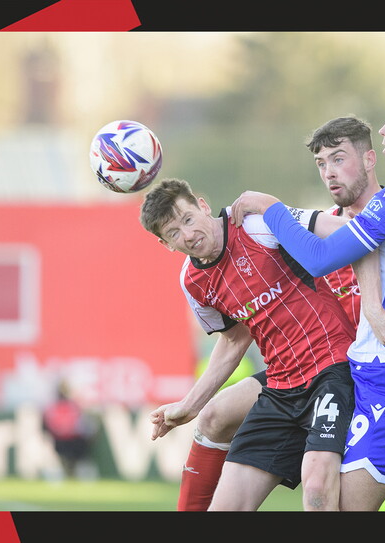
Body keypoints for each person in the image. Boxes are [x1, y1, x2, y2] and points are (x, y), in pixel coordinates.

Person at [230, 80, 385, 510]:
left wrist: (271, 208)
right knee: (321, 496)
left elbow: (321, 257)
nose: (383, 130)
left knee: (343, 510)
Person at [167, 116, 385, 511]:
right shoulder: (324, 222)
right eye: (321, 164)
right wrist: (188, 404)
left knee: (325, 493)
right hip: (293, 374)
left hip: (354, 369)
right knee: (214, 415)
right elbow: (237, 335)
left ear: (370, 159)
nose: (329, 172)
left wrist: (266, 205)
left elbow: (362, 240)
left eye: (337, 160)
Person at [140, 177, 358, 511]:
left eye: (187, 219)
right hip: (282, 385)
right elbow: (235, 337)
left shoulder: (254, 223)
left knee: (316, 490)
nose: (188, 235)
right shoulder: (193, 281)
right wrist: (189, 404)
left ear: (202, 205)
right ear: (165, 244)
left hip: (334, 368)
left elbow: (347, 232)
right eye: (173, 233)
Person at [42, 380, 97, 480]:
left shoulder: (54, 406)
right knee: (80, 459)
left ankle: (59, 476)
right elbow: (85, 426)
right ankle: (84, 477)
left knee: (74, 459)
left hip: (61, 441)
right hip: (73, 441)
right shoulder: (74, 406)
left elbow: (46, 426)